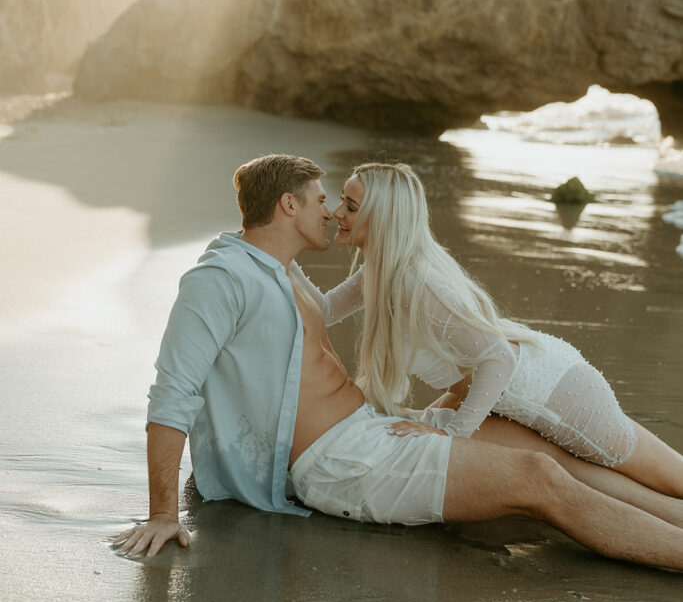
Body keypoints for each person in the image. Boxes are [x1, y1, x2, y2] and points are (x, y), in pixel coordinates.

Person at [115, 154, 683, 569]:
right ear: (289, 205)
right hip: (339, 459)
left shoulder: (283, 271)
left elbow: (354, 304)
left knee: (539, 449)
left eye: (344, 204)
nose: (334, 213)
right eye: (322, 201)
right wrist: (163, 511)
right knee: (539, 478)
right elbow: (173, 392)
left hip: (378, 428)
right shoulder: (221, 279)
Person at [327, 161, 683, 501]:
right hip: (539, 376)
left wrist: (454, 435)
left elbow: (497, 357)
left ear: (383, 218)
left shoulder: (413, 281)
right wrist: (279, 250)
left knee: (663, 478)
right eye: (342, 201)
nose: (337, 212)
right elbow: (323, 311)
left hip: (554, 395)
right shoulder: (383, 269)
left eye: (351, 206)